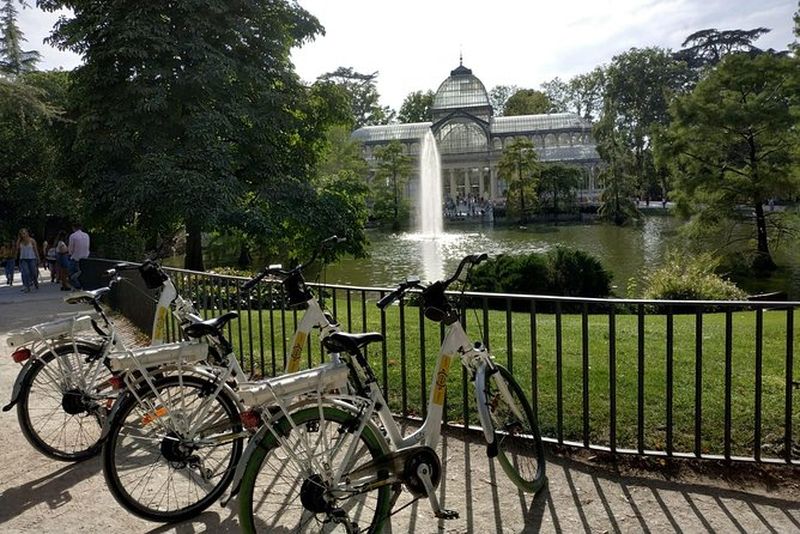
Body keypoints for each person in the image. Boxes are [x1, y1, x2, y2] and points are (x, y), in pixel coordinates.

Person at [68, 223, 90, 289]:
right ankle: (83, 285)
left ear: (73, 228)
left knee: (72, 273)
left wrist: (70, 253)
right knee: (83, 272)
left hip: (76, 258)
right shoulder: (86, 235)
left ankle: (78, 286)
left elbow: (71, 249)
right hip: (85, 257)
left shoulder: (73, 236)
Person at [16, 228, 40, 292]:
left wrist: (38, 258)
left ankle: (35, 281)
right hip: (23, 259)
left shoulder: (32, 240)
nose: (23, 235)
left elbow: (35, 250)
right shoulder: (20, 241)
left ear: (27, 233)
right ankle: (27, 287)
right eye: (21, 234)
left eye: (24, 233)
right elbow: (17, 248)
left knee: (34, 273)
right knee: (25, 273)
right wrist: (18, 239)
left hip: (32, 258)